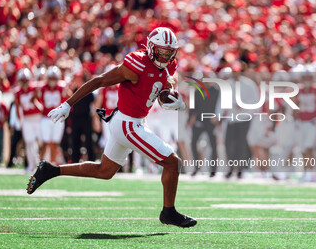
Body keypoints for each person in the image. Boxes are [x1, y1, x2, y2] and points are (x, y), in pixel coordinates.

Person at [27, 27, 197, 228]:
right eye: (162, 51)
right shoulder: (137, 64)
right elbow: (99, 81)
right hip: (128, 124)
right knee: (172, 163)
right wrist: (67, 104)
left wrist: (170, 98)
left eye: (170, 52)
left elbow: (159, 89)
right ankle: (168, 212)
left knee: (104, 171)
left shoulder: (170, 65)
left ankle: (51, 170)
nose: (166, 56)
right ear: (151, 48)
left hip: (129, 122)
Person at [38, 66, 69, 165]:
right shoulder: (42, 88)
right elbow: (34, 98)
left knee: (55, 142)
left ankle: (52, 163)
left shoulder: (62, 87)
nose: (52, 80)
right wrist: (39, 107)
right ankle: (41, 164)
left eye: (54, 78)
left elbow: (69, 97)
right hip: (46, 118)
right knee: (45, 142)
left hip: (58, 118)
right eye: (50, 78)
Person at [15, 68, 43, 173]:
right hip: (27, 119)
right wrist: (20, 121)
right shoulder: (18, 92)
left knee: (41, 141)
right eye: (22, 80)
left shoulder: (35, 88)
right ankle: (31, 165)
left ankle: (42, 162)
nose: (24, 82)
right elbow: (18, 108)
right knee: (29, 141)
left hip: (37, 117)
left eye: (26, 80)